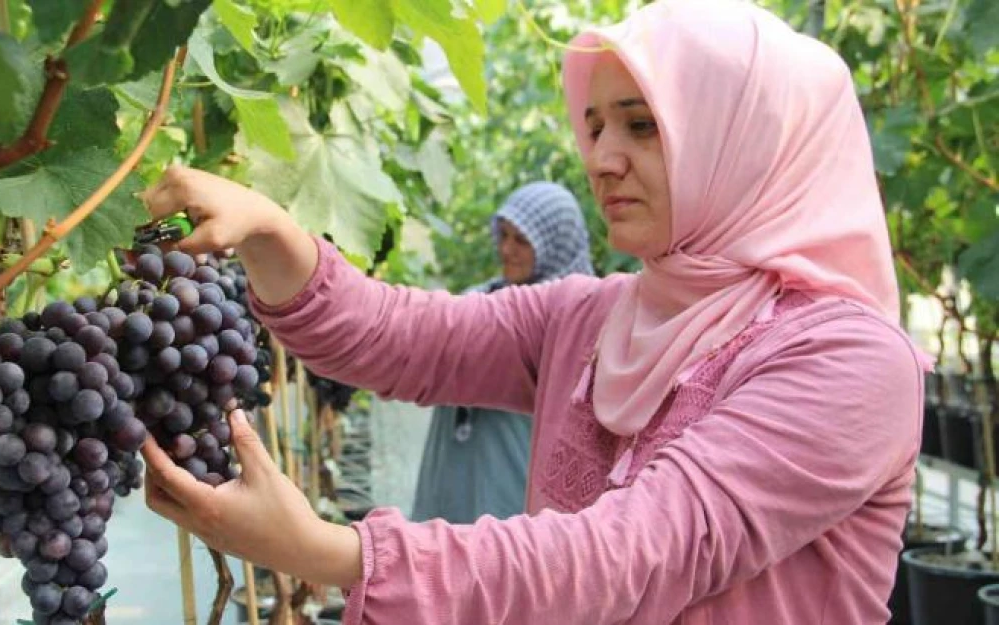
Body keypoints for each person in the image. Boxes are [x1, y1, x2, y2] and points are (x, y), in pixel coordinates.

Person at [137, 0, 928, 622]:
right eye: (594, 124)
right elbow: (400, 335)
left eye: (642, 125)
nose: (602, 156)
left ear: (748, 139)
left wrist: (332, 551)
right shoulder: (593, 316)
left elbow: (641, 551)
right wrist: (272, 230)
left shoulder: (850, 361)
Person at [412, 182, 595, 524]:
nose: (507, 249)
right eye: (504, 235)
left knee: (503, 564)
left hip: (512, 483)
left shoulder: (574, 322)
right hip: (453, 476)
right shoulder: (481, 300)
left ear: (554, 245)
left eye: (522, 241)